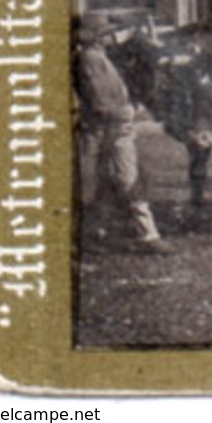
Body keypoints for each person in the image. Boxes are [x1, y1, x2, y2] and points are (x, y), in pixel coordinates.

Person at [74, 14, 173, 255]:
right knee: (129, 179)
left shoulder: (98, 58)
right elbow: (100, 100)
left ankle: (94, 233)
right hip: (110, 129)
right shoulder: (90, 59)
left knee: (105, 183)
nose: (111, 36)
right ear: (97, 37)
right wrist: (129, 110)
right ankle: (148, 236)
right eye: (106, 32)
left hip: (110, 128)